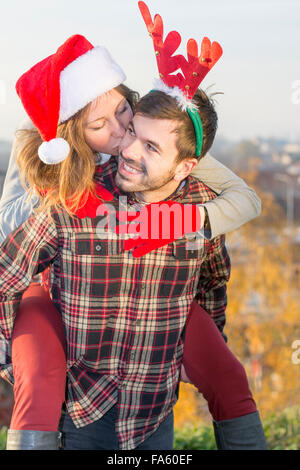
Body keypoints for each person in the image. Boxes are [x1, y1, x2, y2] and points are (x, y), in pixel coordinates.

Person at [0, 29, 264, 450]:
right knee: (37, 366)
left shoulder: (181, 173)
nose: (125, 139)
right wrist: (9, 350)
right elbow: (9, 268)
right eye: (105, 126)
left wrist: (186, 222)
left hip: (150, 409)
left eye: (126, 113)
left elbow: (215, 273)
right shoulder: (71, 190)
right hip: (83, 394)